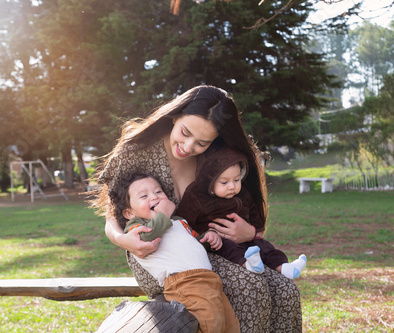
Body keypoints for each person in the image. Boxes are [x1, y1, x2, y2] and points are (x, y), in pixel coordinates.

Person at [93, 85, 302, 332]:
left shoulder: (216, 158)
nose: (188, 146)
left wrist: (249, 233)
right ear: (175, 115)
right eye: (185, 132)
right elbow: (112, 214)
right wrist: (123, 240)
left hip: (212, 245)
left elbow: (245, 205)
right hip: (164, 255)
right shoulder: (136, 151)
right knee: (251, 287)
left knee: (285, 290)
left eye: (202, 142)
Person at [109, 172, 238, 333]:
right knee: (209, 323)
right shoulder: (136, 226)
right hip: (183, 282)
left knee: (229, 325)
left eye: (158, 192)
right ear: (129, 213)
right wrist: (164, 213)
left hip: (210, 280)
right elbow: (148, 237)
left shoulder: (179, 221)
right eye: (144, 196)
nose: (154, 197)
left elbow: (193, 244)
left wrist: (208, 239)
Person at [176, 145, 307, 279]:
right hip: (218, 241)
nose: (232, 186)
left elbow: (254, 213)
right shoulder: (198, 196)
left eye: (236, 180)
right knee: (229, 247)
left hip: (246, 239)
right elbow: (185, 220)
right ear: (209, 181)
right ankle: (249, 265)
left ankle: (284, 267)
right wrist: (206, 234)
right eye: (224, 182)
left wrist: (254, 230)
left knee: (265, 247)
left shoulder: (243, 193)